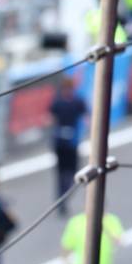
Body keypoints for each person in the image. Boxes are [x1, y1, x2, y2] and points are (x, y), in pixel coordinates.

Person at [48, 76, 87, 214]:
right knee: (61, 174)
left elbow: (85, 116)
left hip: (71, 143)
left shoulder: (76, 101)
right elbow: (51, 118)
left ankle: (64, 197)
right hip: (61, 144)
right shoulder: (60, 102)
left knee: (71, 173)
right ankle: (61, 200)